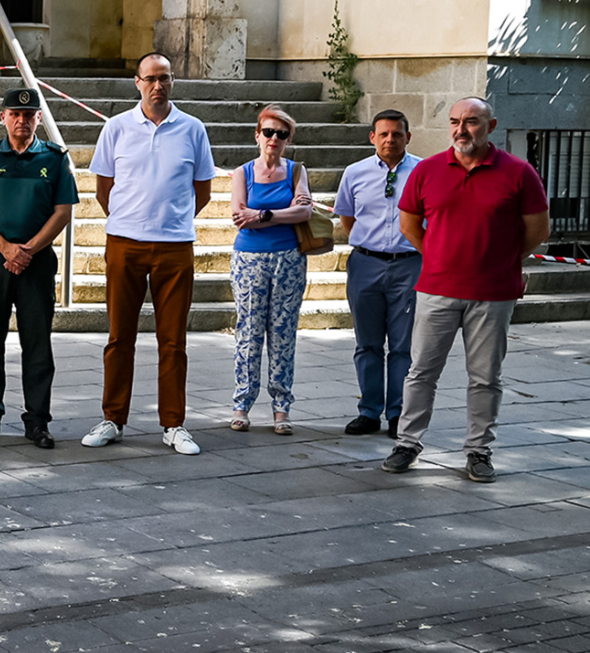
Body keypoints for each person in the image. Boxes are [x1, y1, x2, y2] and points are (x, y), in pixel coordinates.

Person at [382, 97, 549, 483]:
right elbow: (410, 225)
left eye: (471, 122)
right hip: (437, 289)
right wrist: (439, 256)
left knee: (485, 376)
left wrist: (499, 260)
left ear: (490, 126)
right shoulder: (427, 170)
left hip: (493, 293)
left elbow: (538, 232)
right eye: (455, 121)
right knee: (421, 371)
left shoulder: (519, 173)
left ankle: (478, 450)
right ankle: (407, 443)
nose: (461, 129)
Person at [83, 52, 216, 455]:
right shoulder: (117, 128)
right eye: (151, 79)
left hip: (175, 246)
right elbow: (104, 187)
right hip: (124, 243)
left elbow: (203, 189)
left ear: (172, 82)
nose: (158, 86)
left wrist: (169, 220)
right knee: (119, 336)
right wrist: (131, 219)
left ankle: (173, 423)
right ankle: (113, 417)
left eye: (166, 78)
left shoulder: (192, 129)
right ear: (137, 83)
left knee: (172, 339)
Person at [0, 88, 77, 449]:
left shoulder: (55, 158)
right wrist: (5, 247)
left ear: (38, 119)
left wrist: (27, 249)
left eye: (29, 116)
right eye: (14, 114)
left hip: (37, 261)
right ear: (3, 117)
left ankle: (38, 420)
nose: (21, 120)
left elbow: (63, 211)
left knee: (38, 342)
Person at [333, 109, 421, 439]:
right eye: (383, 134)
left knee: (401, 344)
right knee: (367, 342)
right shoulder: (355, 173)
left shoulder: (424, 171)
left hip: (409, 265)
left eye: (397, 134)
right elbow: (347, 218)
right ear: (372, 137)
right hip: (366, 264)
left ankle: (398, 413)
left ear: (407, 137)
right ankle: (369, 410)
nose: (390, 140)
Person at [227, 105, 313, 435]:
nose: (273, 139)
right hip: (249, 259)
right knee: (248, 331)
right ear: (257, 135)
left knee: (283, 332)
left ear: (288, 139)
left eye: (281, 134)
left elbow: (304, 211)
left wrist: (263, 216)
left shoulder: (295, 171)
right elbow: (238, 215)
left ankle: (281, 407)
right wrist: (282, 212)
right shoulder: (243, 172)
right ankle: (242, 403)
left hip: (289, 259)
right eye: (268, 132)